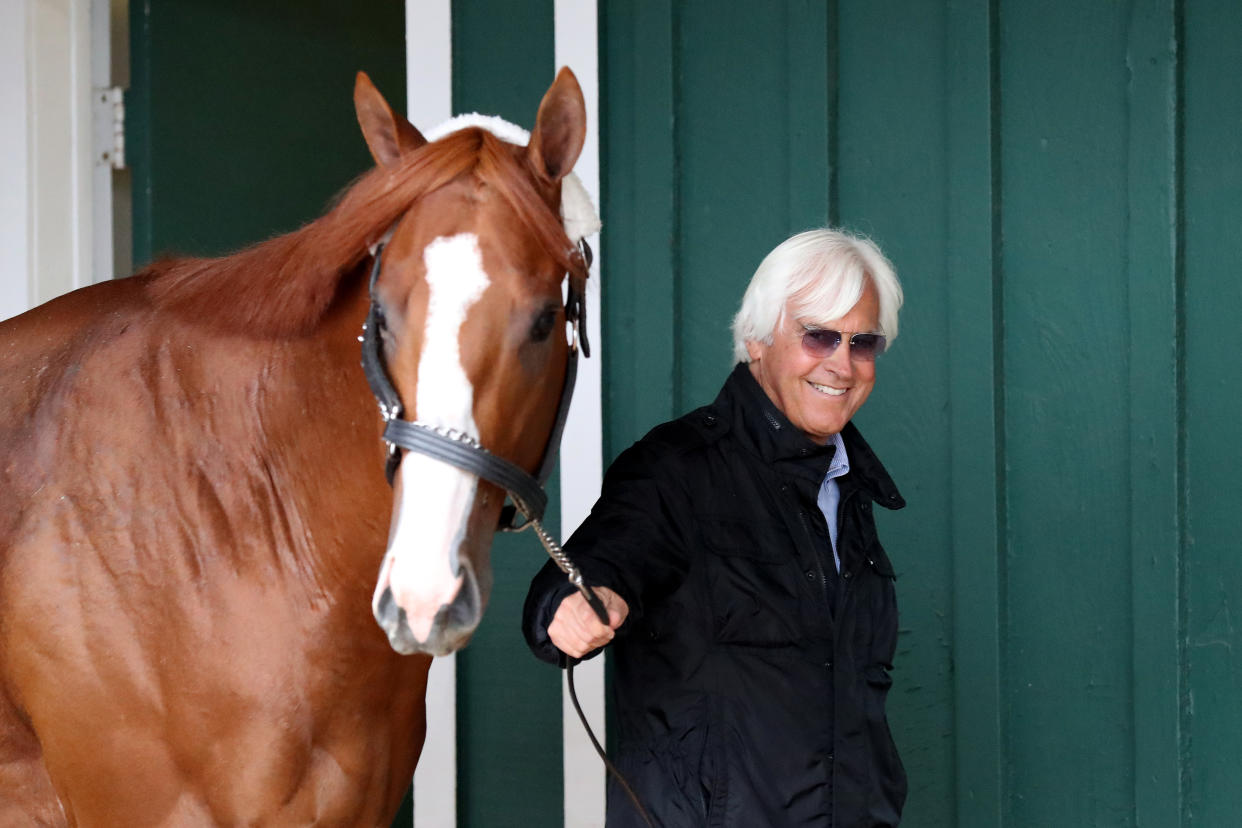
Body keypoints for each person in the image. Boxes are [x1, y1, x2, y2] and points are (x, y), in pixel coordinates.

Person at [523, 228, 907, 827]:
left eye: (863, 342)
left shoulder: (850, 489)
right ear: (756, 340)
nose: (842, 362)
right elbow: (596, 564)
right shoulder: (678, 468)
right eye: (819, 335)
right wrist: (572, 604)